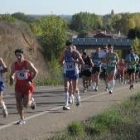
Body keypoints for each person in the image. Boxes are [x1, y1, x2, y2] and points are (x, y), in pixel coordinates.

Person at [10, 49, 38, 124]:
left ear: (23, 55)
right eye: (17, 55)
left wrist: (30, 80)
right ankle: (22, 119)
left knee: (26, 105)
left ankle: (32, 101)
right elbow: (12, 73)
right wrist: (12, 78)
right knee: (18, 101)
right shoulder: (14, 65)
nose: (19, 57)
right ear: (15, 56)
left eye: (20, 55)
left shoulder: (27, 63)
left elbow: (36, 72)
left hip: (27, 85)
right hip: (18, 85)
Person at [60, 41, 84, 110]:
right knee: (66, 87)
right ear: (66, 47)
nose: (68, 48)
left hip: (74, 72)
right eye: (67, 47)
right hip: (67, 72)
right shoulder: (64, 53)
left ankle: (77, 98)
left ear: (72, 46)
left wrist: (74, 61)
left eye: (70, 47)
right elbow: (60, 62)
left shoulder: (76, 53)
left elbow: (82, 62)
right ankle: (66, 104)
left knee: (75, 88)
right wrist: (62, 63)